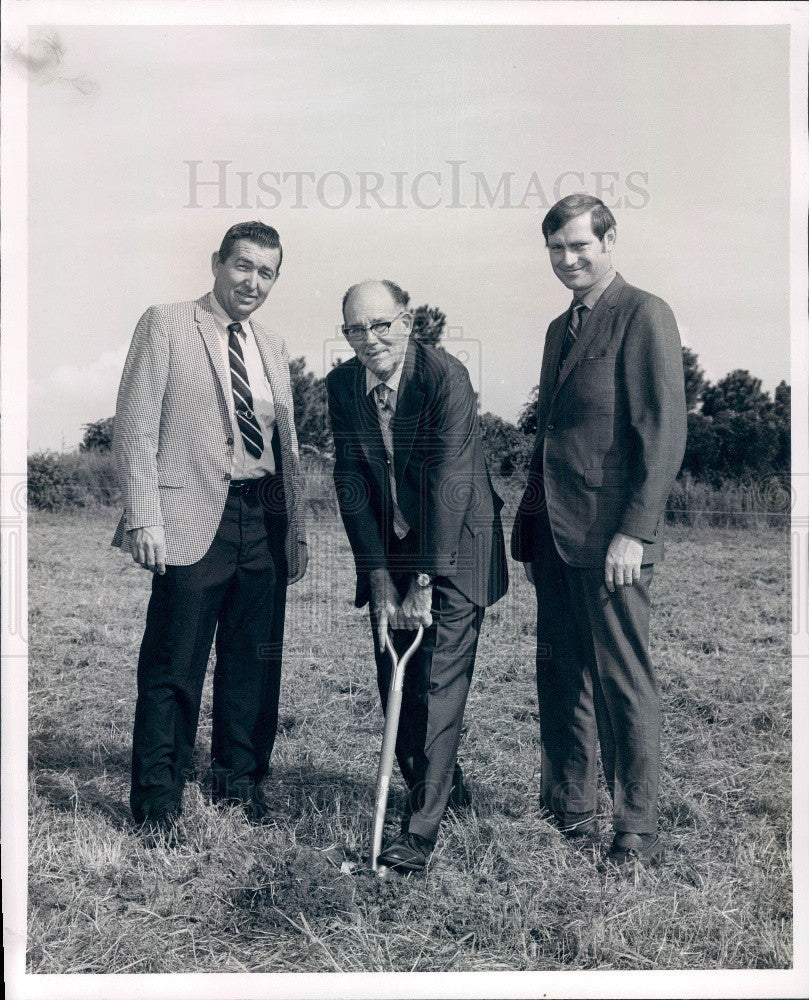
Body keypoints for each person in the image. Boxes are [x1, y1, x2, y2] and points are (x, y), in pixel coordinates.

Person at [112, 221, 307, 845]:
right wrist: (144, 515)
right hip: (193, 517)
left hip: (264, 518)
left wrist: (295, 532)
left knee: (254, 663)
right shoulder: (166, 324)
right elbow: (135, 426)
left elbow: (288, 446)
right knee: (174, 663)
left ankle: (240, 784)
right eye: (243, 266)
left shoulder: (273, 346)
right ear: (217, 262)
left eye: (266, 273)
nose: (252, 282)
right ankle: (158, 804)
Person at [511, 194, 686, 871]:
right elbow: (550, 439)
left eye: (579, 245)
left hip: (613, 542)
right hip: (554, 539)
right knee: (559, 676)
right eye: (556, 248)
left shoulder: (643, 314)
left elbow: (662, 434)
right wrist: (530, 531)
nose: (567, 259)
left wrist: (634, 532)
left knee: (621, 681)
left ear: (608, 241)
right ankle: (568, 804)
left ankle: (635, 827)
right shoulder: (560, 328)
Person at [327, 280, 508, 872]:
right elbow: (352, 484)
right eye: (356, 329)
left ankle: (418, 834)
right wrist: (379, 576)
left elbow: (452, 481)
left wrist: (424, 584)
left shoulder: (444, 377)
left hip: (457, 543)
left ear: (406, 322)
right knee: (395, 682)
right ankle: (443, 788)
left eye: (381, 324)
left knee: (434, 686)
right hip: (395, 547)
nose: (370, 339)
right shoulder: (343, 385)